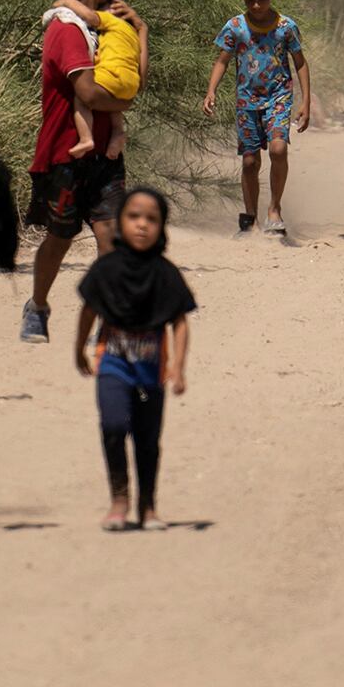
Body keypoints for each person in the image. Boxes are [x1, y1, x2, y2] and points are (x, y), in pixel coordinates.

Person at [24, 0, 145, 345]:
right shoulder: (66, 30)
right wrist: (126, 97)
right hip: (66, 155)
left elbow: (134, 77)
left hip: (105, 154)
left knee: (111, 236)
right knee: (59, 238)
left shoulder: (101, 24)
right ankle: (37, 306)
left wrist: (140, 29)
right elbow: (91, 94)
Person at [74, 187, 196, 531]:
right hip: (112, 363)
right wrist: (79, 349)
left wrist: (178, 367)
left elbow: (180, 321)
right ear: (121, 222)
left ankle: (147, 508)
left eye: (151, 219)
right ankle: (119, 500)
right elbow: (88, 309)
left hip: (151, 369)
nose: (142, 225)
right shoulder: (107, 268)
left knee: (147, 439)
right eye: (133, 217)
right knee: (113, 426)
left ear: (162, 226)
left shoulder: (165, 272)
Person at [202, 0, 312, 237]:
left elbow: (300, 63)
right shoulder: (235, 27)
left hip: (278, 97)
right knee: (250, 161)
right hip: (246, 101)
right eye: (250, 0)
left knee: (278, 149)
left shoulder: (286, 28)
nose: (256, 6)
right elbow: (222, 61)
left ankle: (275, 210)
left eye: (262, 0)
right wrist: (211, 90)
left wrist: (306, 101)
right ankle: (249, 218)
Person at [43, 0, 147, 160]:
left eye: (101, 7)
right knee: (113, 99)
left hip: (112, 75)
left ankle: (86, 138)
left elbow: (90, 17)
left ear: (113, 11)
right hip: (131, 83)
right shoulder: (132, 33)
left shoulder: (111, 21)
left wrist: (67, 1)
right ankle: (118, 132)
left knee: (82, 98)